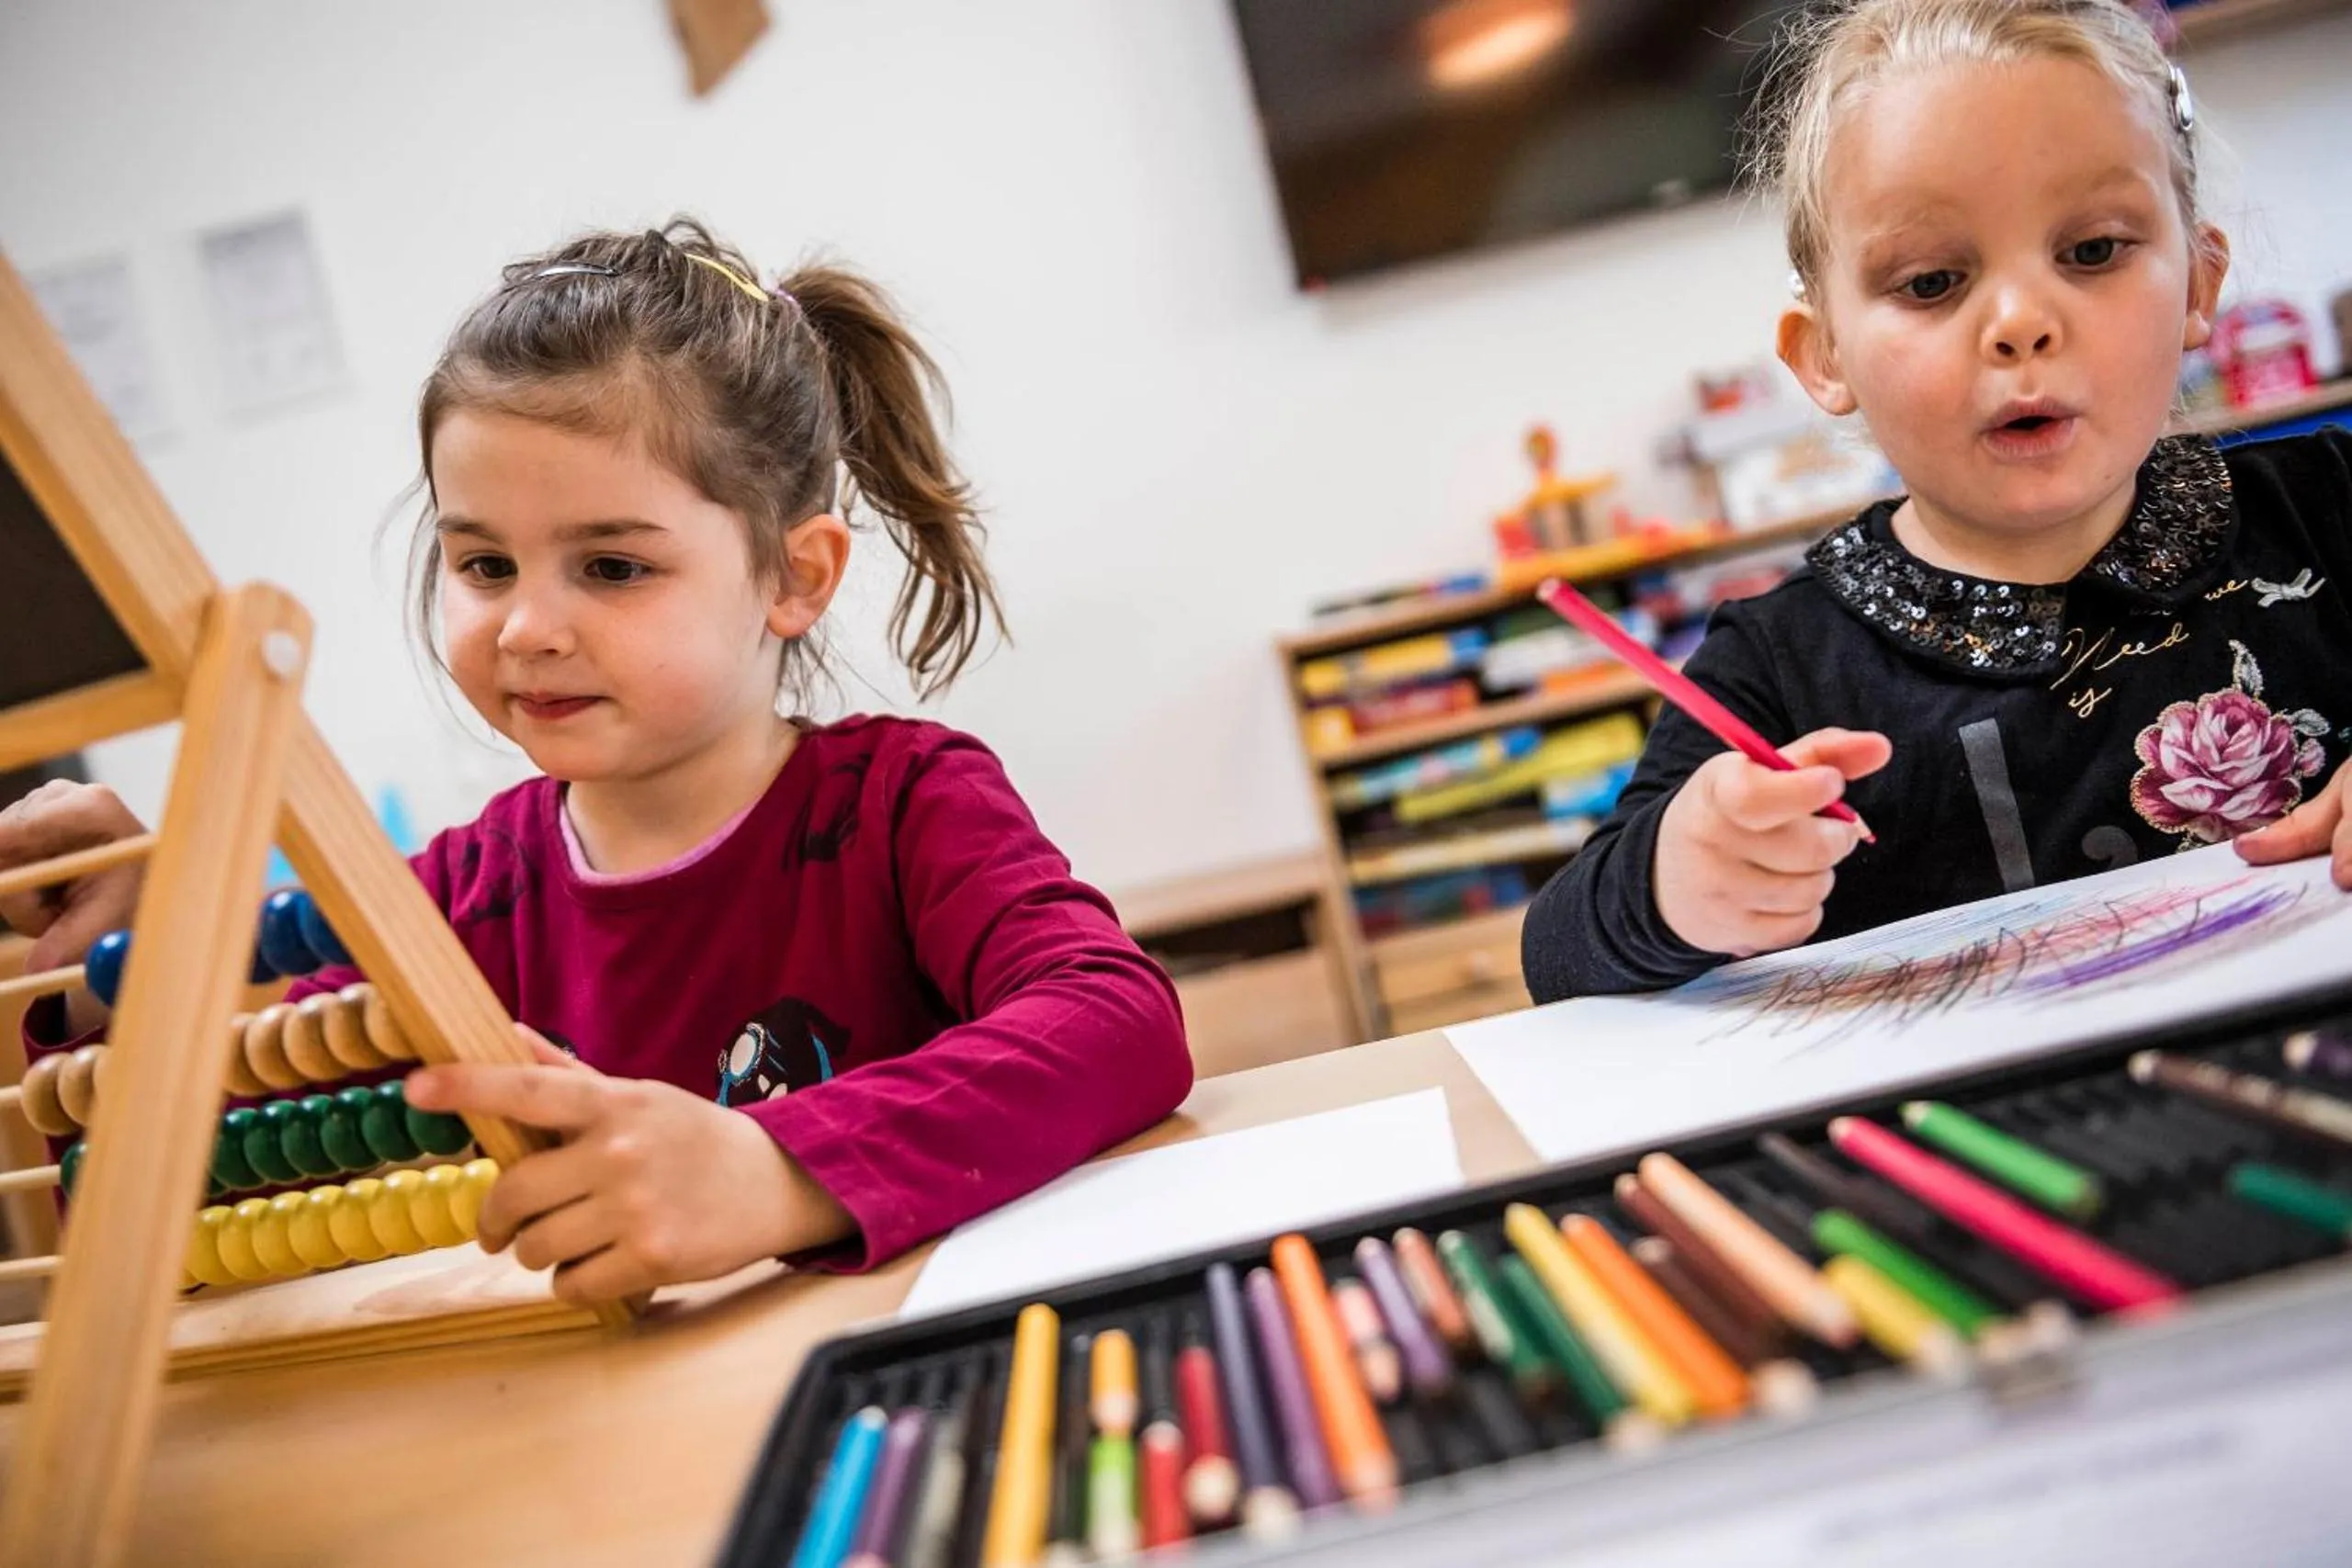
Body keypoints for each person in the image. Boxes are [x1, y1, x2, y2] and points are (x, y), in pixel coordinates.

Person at [0, 220, 1192, 1301]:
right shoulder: (458, 899)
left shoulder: (903, 805)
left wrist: (778, 1169)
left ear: (796, 575)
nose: (526, 628)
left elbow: (1118, 1019)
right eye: (484, 565)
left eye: (612, 566)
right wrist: (112, 979)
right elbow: (213, 1180)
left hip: (892, 1373)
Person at [1522, 0, 2352, 1002]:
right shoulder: (1778, 665)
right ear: (1822, 356)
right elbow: (1557, 954)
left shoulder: (2326, 506)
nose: (2018, 322)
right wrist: (1674, 883)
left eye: (2091, 251)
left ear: (2194, 285)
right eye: (1930, 281)